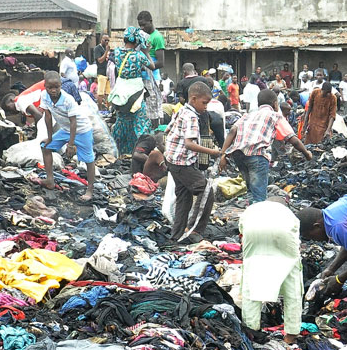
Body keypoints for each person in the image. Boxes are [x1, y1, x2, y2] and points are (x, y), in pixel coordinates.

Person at [219, 89, 313, 203]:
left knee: (251, 191)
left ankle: (250, 213)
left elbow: (232, 131)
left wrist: (223, 154)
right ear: (275, 103)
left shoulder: (248, 115)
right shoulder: (275, 116)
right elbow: (293, 140)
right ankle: (256, 216)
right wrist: (307, 154)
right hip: (256, 155)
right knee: (259, 197)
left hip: (238, 155)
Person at [239, 199, 304, 344]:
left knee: (251, 276)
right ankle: (291, 335)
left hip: (253, 230)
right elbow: (296, 235)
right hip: (283, 232)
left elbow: (241, 231)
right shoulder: (288, 213)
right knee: (292, 274)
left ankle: (252, 330)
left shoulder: (252, 209)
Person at [165, 81, 221, 241]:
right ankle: (194, 231)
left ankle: (176, 236)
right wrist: (213, 152)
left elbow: (168, 130)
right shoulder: (191, 116)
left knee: (184, 198)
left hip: (173, 160)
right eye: (204, 103)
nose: (206, 107)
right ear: (194, 99)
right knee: (206, 192)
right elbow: (190, 143)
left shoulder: (181, 110)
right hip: (182, 163)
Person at [35, 71, 97, 202]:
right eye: (50, 87)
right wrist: (50, 137)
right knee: (45, 147)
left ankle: (90, 189)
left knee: (89, 160)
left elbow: (73, 122)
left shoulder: (68, 99)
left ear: (61, 85)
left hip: (81, 129)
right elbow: (47, 116)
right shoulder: (44, 96)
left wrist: (71, 144)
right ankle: (50, 180)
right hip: (65, 129)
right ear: (45, 86)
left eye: (56, 87)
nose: (53, 90)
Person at [109, 28, 154, 157]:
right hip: (136, 92)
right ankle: (140, 152)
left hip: (120, 92)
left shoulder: (116, 52)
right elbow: (152, 66)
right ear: (136, 41)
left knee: (123, 121)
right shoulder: (138, 55)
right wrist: (146, 52)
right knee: (140, 122)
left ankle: (121, 152)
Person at [137, 11, 165, 122]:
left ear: (151, 22)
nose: (142, 28)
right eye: (140, 25)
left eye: (144, 25)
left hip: (152, 78)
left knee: (155, 110)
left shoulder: (157, 37)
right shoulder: (142, 35)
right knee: (146, 111)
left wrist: (147, 66)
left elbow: (161, 62)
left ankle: (156, 135)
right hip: (143, 78)